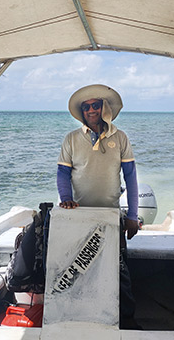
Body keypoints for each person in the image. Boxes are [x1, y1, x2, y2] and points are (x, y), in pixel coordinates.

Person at [56, 84, 139, 327]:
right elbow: (63, 174)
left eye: (95, 105)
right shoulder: (71, 139)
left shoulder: (120, 137)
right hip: (79, 217)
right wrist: (65, 199)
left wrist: (132, 215)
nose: (91, 110)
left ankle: (127, 319)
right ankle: (83, 318)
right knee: (81, 267)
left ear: (104, 108)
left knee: (118, 269)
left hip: (112, 215)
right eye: (86, 106)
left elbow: (131, 177)